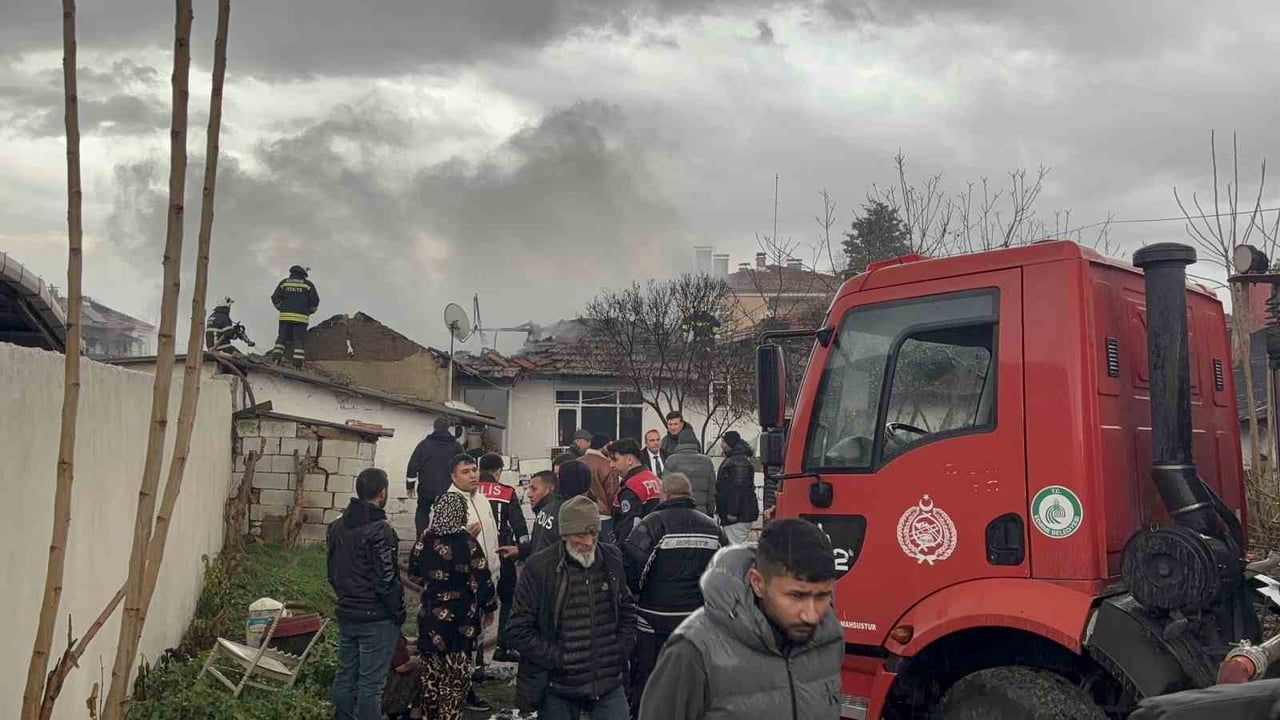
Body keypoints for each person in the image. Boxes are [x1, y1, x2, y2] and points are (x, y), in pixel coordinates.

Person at [637, 518, 843, 720]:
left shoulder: (828, 637)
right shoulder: (693, 651)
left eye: (823, 596)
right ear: (757, 583)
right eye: (796, 596)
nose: (812, 615)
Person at [507, 495, 638, 719]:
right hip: (559, 687)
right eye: (580, 534)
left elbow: (626, 610)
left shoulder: (612, 559)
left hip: (608, 683)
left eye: (594, 533)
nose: (588, 541)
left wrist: (619, 650)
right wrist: (559, 658)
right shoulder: (539, 569)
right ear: (564, 534)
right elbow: (517, 630)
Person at [622, 472, 727, 716]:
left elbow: (634, 567)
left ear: (664, 494)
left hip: (653, 619)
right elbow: (725, 572)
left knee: (648, 678)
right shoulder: (713, 527)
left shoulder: (652, 523)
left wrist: (637, 597)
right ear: (690, 495)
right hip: (696, 619)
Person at [408, 491, 498, 720]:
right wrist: (488, 608)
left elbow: (414, 573)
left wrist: (434, 586)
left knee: (430, 675)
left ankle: (430, 715)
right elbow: (483, 579)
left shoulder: (424, 539)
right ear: (461, 514)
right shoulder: (467, 542)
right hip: (461, 621)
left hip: (429, 618)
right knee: (455, 677)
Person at [326, 468, 406, 720]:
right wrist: (398, 612)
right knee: (371, 685)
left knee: (345, 675)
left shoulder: (337, 526)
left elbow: (332, 572)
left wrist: (346, 598)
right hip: (376, 618)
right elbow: (387, 580)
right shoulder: (380, 530)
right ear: (382, 492)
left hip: (348, 612)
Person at [477, 453, 529, 663]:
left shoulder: (470, 489)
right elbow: (519, 525)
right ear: (498, 471)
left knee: (477, 600)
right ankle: (503, 646)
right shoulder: (506, 492)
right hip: (502, 550)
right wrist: (523, 549)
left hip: (475, 551)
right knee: (508, 598)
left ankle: (477, 655)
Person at [406, 417, 466, 537]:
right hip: (448, 490)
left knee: (422, 511)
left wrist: (410, 485)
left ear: (434, 427)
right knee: (447, 515)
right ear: (448, 428)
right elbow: (464, 465)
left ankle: (421, 539)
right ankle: (445, 542)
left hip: (426, 488)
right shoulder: (456, 446)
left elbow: (413, 465)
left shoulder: (424, 445)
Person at [609, 439, 663, 545]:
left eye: (615, 460)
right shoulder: (655, 479)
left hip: (638, 548)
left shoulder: (632, 487)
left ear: (629, 460)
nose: (611, 465)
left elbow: (628, 526)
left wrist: (621, 550)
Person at [269, 264, 319, 367]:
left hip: (285, 317)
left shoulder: (284, 283)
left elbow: (275, 297)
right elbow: (315, 301)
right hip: (301, 319)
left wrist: (281, 307)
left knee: (281, 338)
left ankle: (276, 359)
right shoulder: (308, 285)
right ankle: (297, 364)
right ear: (303, 273)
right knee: (299, 340)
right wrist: (310, 311)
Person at [715, 431, 759, 545]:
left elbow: (738, 488)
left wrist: (733, 512)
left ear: (729, 443)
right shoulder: (739, 459)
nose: (721, 445)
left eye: (723, 442)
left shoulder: (737, 461)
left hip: (737, 516)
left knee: (735, 548)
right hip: (740, 514)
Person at [515, 470, 564, 560]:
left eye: (534, 489)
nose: (529, 494)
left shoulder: (553, 513)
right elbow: (538, 545)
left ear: (550, 488)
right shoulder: (544, 511)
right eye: (528, 489)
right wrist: (518, 550)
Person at [581, 433, 621, 541]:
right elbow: (612, 494)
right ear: (604, 446)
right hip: (603, 517)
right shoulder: (609, 465)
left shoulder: (577, 462)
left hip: (580, 514)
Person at [663, 436, 715, 518]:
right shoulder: (707, 461)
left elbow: (666, 487)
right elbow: (712, 491)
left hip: (676, 512)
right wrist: (710, 511)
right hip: (701, 512)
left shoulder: (672, 460)